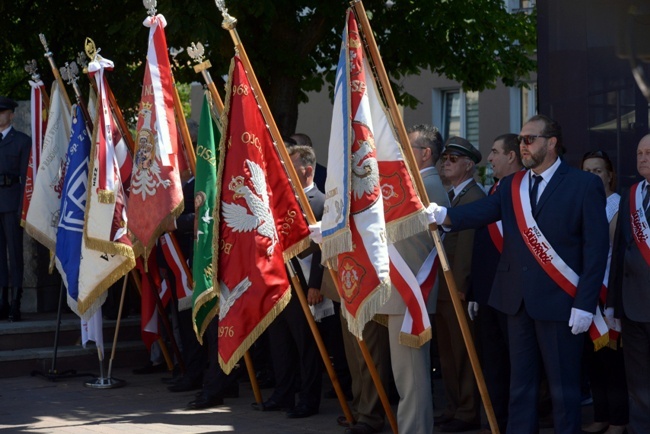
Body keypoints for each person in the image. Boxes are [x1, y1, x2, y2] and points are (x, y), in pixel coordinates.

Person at [428, 114, 610, 434]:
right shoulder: (512, 185)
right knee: (520, 386)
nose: (522, 146)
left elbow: (595, 251)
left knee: (563, 389)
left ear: (551, 143)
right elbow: (484, 212)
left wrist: (585, 303)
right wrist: (446, 216)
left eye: (529, 139)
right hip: (516, 300)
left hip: (560, 301)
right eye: (521, 140)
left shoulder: (583, 184)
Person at [375, 124, 448, 434]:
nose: (402, 154)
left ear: (426, 153)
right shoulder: (419, 182)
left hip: (411, 288)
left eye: (408, 148)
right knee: (405, 374)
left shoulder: (426, 184)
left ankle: (415, 429)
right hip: (401, 289)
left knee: (412, 375)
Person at [252, 144, 323, 418]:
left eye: (291, 166)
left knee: (306, 344)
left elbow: (321, 247)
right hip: (279, 282)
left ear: (306, 170)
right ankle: (283, 393)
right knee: (279, 341)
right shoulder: (281, 200)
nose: (285, 172)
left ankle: (308, 398)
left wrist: (316, 283)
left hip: (304, 283)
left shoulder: (319, 200)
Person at [467, 133, 523, 433]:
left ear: (511, 156)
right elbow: (482, 245)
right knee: (493, 359)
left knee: (517, 362)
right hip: (489, 292)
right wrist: (476, 290)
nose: (489, 158)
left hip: (515, 294)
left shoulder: (524, 189)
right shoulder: (494, 191)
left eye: (494, 152)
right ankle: (495, 419)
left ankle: (516, 420)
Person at [434, 136, 484, 433]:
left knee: (463, 351)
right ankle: (455, 406)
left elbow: (466, 247)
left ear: (468, 165)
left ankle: (467, 410)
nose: (446, 163)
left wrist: (461, 284)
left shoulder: (474, 196)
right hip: (443, 285)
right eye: (444, 159)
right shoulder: (452, 195)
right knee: (448, 353)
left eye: (453, 159)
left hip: (457, 287)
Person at [579, 150, 627, 434]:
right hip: (586, 293)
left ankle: (618, 420)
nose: (592, 176)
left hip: (608, 293)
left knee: (613, 363)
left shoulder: (617, 206)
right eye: (586, 171)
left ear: (609, 175)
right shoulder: (582, 204)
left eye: (597, 171)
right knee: (593, 360)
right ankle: (601, 415)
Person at [607, 134, 650, 434]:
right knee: (638, 382)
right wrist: (612, 302)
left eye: (649, 152)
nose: (643, 158)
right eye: (639, 153)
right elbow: (620, 254)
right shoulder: (631, 194)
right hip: (634, 307)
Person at [0, 97, 30, 322]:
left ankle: (15, 301)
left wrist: (22, 208)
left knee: (15, 253)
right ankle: (2, 301)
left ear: (11, 115)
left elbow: (26, 178)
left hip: (12, 202)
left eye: (3, 112)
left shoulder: (21, 141)